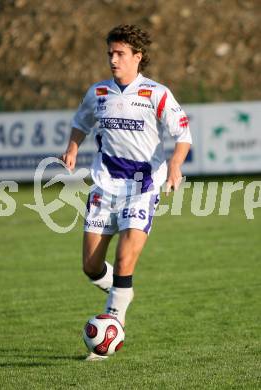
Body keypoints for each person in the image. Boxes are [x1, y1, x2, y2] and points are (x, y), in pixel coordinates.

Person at [62, 24, 192, 361]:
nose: (113, 60)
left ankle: (113, 323)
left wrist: (175, 166)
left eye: (120, 54)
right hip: (105, 186)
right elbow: (81, 121)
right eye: (110, 53)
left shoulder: (157, 93)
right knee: (91, 267)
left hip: (142, 188)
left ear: (138, 57)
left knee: (124, 260)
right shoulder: (98, 92)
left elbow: (183, 135)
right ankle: (122, 292)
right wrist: (73, 147)